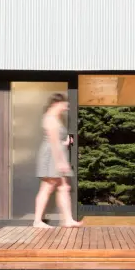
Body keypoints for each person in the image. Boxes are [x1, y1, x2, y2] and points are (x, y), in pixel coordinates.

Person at [33, 92, 82, 228]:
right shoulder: (50, 119)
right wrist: (61, 162)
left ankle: (67, 220)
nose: (66, 107)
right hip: (52, 156)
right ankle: (37, 221)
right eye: (64, 105)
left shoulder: (55, 118)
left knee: (63, 187)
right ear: (56, 104)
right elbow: (54, 144)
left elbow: (57, 141)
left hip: (56, 153)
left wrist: (65, 142)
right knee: (47, 187)